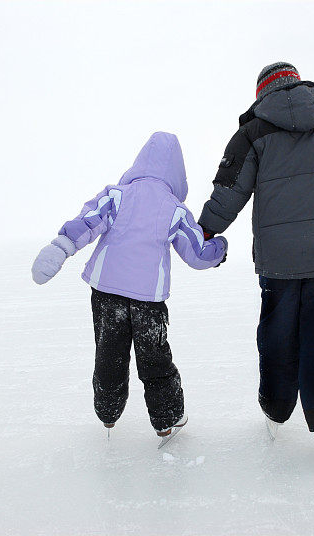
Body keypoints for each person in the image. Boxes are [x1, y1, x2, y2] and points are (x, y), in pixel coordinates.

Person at [197, 62, 314, 463]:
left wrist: (204, 231)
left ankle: (275, 409)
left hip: (278, 261)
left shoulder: (252, 133)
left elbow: (229, 191)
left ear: (262, 93)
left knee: (278, 335)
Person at [31, 132, 228, 446]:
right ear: (178, 173)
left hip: (106, 290)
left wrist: (62, 245)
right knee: (154, 357)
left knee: (109, 351)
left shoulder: (117, 194)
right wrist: (218, 247)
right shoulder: (175, 210)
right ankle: (167, 420)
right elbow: (197, 253)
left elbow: (88, 221)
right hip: (148, 298)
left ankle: (107, 411)